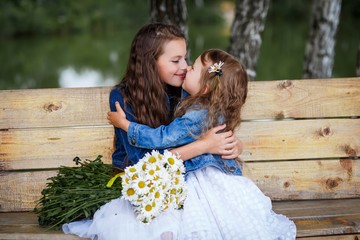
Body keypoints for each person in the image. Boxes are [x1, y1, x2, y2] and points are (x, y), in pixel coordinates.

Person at [63, 23, 243, 239]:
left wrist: (232, 144)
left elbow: (208, 125)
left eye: (186, 58)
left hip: (182, 179)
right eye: (176, 60)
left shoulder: (186, 89)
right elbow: (144, 163)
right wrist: (205, 146)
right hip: (144, 180)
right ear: (150, 63)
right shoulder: (123, 98)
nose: (185, 66)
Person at [109, 49, 297, 240]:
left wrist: (125, 125)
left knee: (202, 219)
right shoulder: (215, 107)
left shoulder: (195, 115)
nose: (186, 67)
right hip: (223, 177)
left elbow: (162, 138)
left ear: (206, 88)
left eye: (192, 67)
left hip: (201, 179)